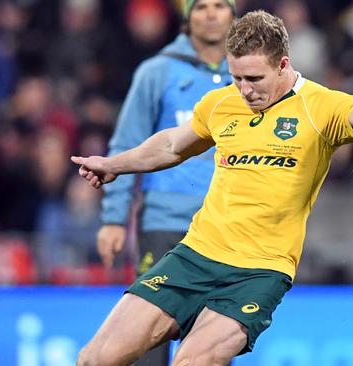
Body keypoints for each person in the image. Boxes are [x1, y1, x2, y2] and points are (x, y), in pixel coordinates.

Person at [72, 10, 353, 366]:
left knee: (190, 363)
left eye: (254, 79)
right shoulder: (222, 103)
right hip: (194, 256)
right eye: (237, 77)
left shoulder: (322, 108)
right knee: (93, 360)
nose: (245, 89)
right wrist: (115, 165)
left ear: (283, 64)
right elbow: (171, 145)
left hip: (259, 273)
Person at [96, 0, 235, 364]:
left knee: (213, 349)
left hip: (227, 230)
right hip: (165, 225)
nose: (210, 13)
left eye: (220, 5)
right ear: (187, 15)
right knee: (145, 343)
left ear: (233, 13)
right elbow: (126, 145)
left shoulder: (248, 76)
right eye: (201, 5)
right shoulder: (156, 72)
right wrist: (113, 218)